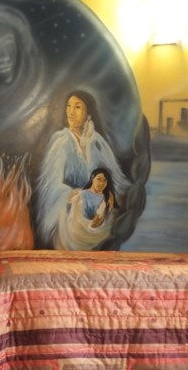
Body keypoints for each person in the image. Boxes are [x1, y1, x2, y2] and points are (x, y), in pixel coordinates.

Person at [31, 90, 131, 249]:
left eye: (77, 107)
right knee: (80, 215)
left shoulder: (97, 141)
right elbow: (50, 184)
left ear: (88, 113)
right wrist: (70, 194)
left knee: (106, 216)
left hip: (97, 204)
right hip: (70, 213)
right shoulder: (61, 141)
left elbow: (113, 177)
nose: (71, 112)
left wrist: (109, 194)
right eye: (69, 106)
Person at [55, 167, 117, 250]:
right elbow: (73, 209)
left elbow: (103, 219)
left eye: (104, 180)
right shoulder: (82, 194)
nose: (101, 183)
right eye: (99, 179)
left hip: (96, 233)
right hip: (78, 232)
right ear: (92, 178)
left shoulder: (106, 198)